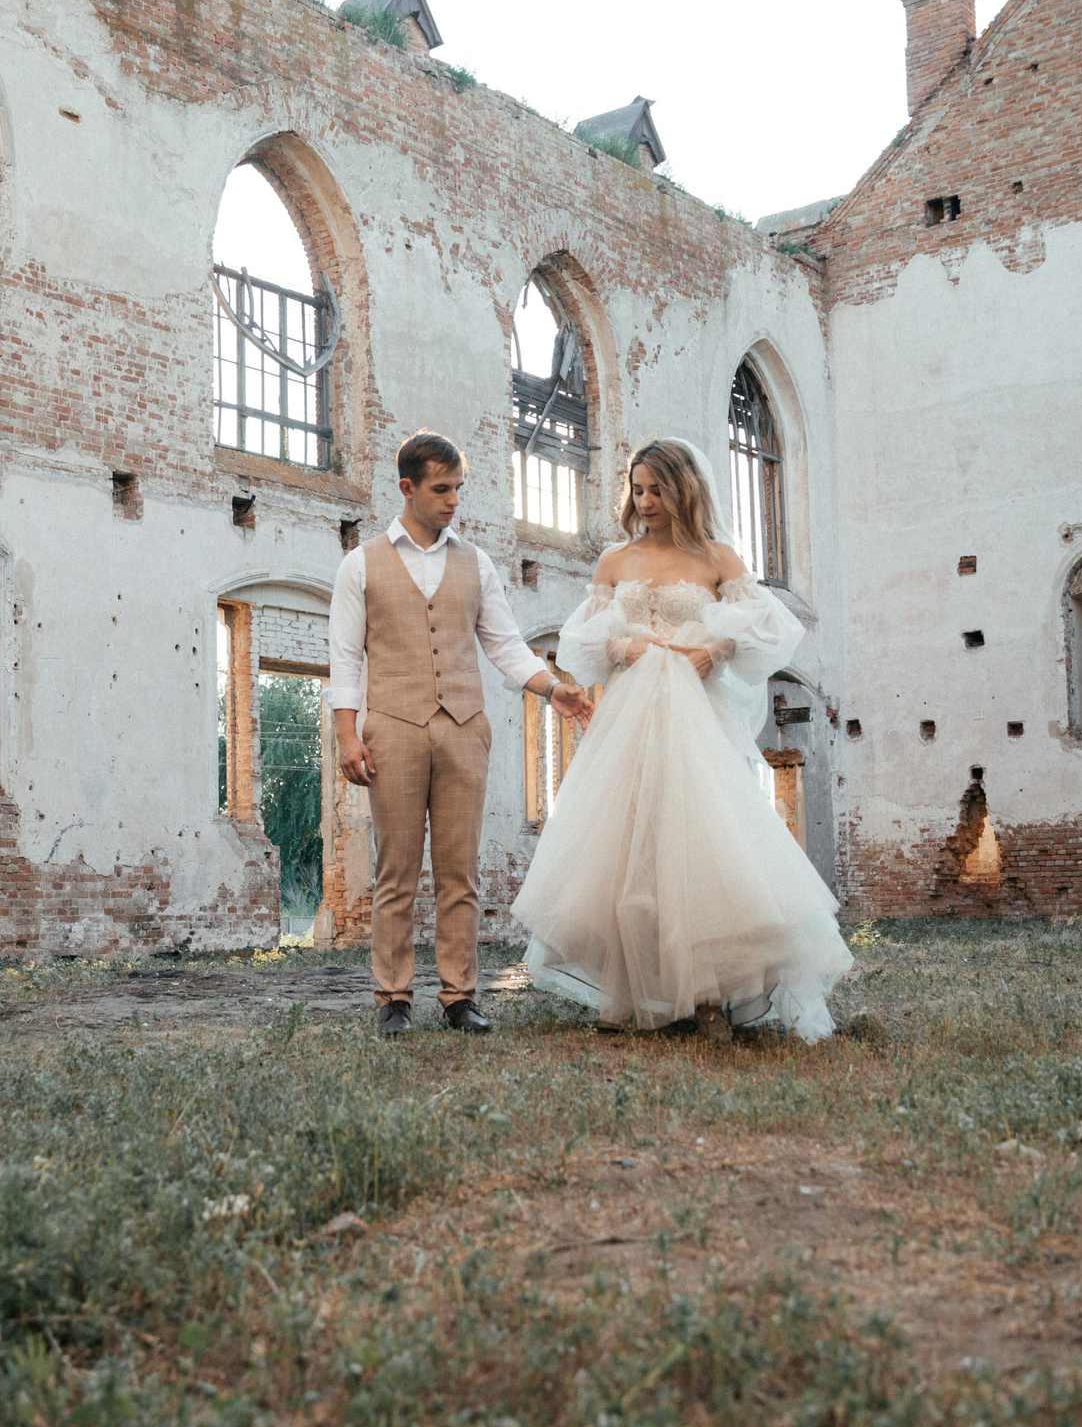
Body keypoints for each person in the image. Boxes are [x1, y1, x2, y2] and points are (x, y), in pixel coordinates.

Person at [511, 438, 852, 1040]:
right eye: (637, 489)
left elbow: (768, 633)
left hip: (697, 717)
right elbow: (581, 643)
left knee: (701, 841)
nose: (644, 501)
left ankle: (713, 996)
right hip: (629, 719)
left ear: (684, 488)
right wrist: (622, 646)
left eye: (656, 489)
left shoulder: (717, 557)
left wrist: (713, 649)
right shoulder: (614, 562)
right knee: (626, 848)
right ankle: (633, 994)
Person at [329, 432, 597, 1037]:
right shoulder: (360, 563)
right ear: (408, 488)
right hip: (391, 729)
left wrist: (553, 689)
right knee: (395, 870)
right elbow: (345, 658)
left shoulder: (476, 563)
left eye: (458, 489)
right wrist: (348, 736)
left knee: (460, 871)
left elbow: (503, 642)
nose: (454, 502)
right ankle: (393, 998)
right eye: (441, 490)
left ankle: (459, 997)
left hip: (464, 730)